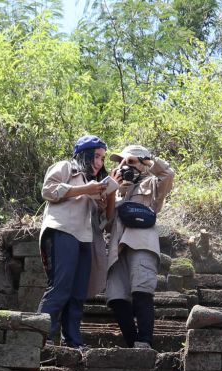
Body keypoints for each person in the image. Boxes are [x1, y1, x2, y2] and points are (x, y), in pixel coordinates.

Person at [38, 135, 118, 348]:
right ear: (86, 154)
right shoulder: (66, 167)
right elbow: (48, 190)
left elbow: (105, 221)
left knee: (78, 294)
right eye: (97, 156)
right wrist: (86, 190)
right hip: (62, 231)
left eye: (102, 158)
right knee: (60, 287)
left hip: (86, 238)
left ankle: (73, 342)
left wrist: (110, 194)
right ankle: (40, 338)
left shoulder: (94, 184)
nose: (100, 162)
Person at [104, 145, 174, 349]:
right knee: (116, 297)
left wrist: (148, 162)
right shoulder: (114, 189)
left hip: (142, 243)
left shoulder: (152, 183)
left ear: (143, 163)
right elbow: (105, 220)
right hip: (117, 247)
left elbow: (168, 174)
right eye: (122, 162)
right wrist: (112, 189)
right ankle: (131, 343)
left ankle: (144, 342)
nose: (124, 165)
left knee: (141, 291)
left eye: (130, 161)